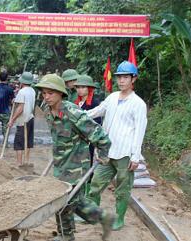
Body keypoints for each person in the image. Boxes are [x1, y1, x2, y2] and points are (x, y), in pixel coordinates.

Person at [35, 74, 114, 241]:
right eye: (44, 93)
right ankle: (101, 218)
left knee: (65, 200)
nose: (46, 97)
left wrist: (103, 154)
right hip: (60, 162)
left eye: (50, 93)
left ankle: (69, 235)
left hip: (77, 164)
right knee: (69, 200)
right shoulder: (47, 110)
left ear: (61, 93)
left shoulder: (73, 113)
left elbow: (101, 135)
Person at [87, 61, 148, 230]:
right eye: (119, 77)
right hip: (107, 152)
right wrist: (80, 114)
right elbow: (98, 111)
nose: (121, 80)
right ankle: (93, 215)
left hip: (125, 155)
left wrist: (136, 157)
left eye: (125, 77)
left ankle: (119, 219)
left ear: (133, 79)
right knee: (95, 185)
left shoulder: (138, 104)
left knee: (122, 190)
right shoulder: (112, 97)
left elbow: (139, 132)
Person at [7, 72, 36, 166]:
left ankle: (19, 163)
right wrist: (15, 100)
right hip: (30, 118)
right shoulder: (32, 91)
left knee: (19, 142)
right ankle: (26, 161)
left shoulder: (21, 91)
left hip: (23, 120)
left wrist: (12, 120)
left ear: (22, 82)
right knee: (28, 141)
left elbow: (20, 108)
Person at [74, 74, 102, 168]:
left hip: (89, 139)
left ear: (89, 88)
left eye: (83, 87)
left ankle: (88, 181)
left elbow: (97, 123)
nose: (80, 89)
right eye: (78, 87)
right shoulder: (76, 103)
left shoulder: (95, 103)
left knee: (88, 160)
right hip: (76, 138)